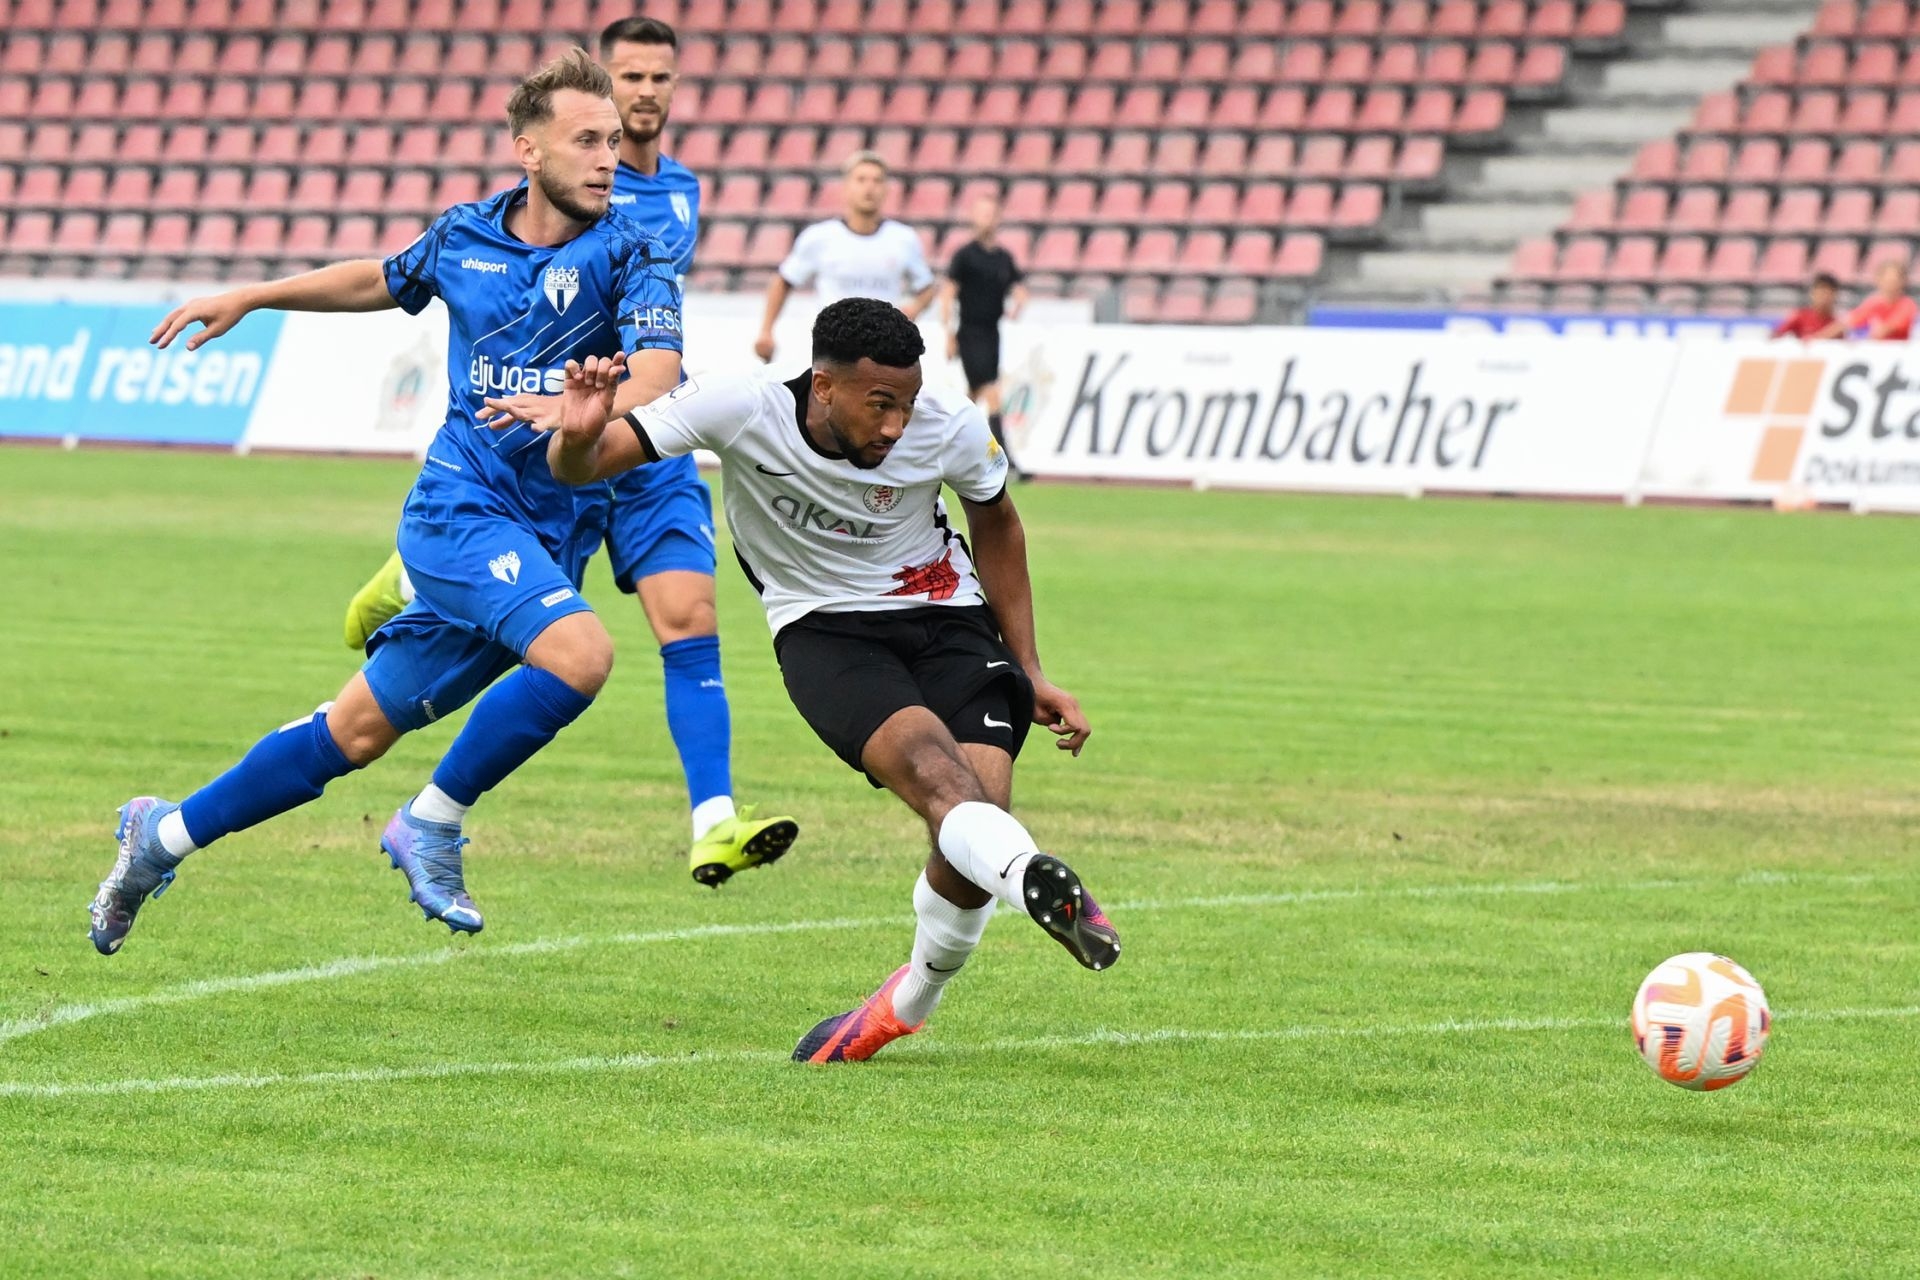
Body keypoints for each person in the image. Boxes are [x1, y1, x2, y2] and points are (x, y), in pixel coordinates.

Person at [89, 50, 686, 954]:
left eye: (612, 141)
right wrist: (256, 295)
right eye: (586, 140)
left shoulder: (634, 250)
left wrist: (588, 407)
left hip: (552, 537)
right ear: (529, 151)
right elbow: (380, 278)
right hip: (460, 511)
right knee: (582, 656)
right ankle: (432, 821)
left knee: (353, 733)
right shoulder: (465, 236)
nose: (609, 158)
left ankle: (159, 837)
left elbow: (658, 372)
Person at [490, 299, 1120, 1062]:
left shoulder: (950, 426)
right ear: (823, 385)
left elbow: (998, 523)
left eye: (907, 404)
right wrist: (578, 432)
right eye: (879, 404)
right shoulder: (738, 404)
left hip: (949, 619)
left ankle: (904, 1006)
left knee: (972, 831)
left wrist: (1030, 667)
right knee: (942, 784)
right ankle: (1034, 878)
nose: (896, 426)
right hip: (826, 632)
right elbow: (581, 467)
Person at [339, 17, 799, 887]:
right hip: (552, 443)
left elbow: (653, 348)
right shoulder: (557, 192)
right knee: (552, 637)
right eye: (631, 77)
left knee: (690, 616)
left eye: (661, 77)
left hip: (639, 432)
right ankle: (414, 578)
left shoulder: (680, 191)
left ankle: (713, 823)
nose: (646, 92)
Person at [752, 151, 935, 364]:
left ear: (886, 189)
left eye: (877, 181)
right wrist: (766, 331)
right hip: (834, 347)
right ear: (846, 187)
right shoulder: (820, 237)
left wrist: (914, 308)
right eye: (861, 180)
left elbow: (927, 288)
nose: (869, 187)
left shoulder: (903, 238)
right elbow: (783, 281)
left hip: (885, 349)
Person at [940, 192, 1028, 473]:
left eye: (990, 214)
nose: (986, 220)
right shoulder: (965, 256)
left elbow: (1019, 288)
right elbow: (947, 294)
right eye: (981, 213)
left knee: (974, 395)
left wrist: (1018, 305)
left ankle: (947, 447)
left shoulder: (1003, 258)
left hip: (992, 333)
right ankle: (1003, 457)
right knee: (991, 392)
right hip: (970, 332)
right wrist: (949, 333)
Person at [1818, 259, 1916, 340]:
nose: (1890, 286)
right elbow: (1847, 322)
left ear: (1903, 282)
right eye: (1887, 281)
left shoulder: (1908, 305)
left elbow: (1886, 329)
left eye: (1894, 281)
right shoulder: (1873, 303)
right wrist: (1818, 337)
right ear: (1878, 280)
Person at [1772, 272, 1839, 341]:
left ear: (1834, 295)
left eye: (1828, 293)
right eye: (1821, 292)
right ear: (1813, 293)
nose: (1824, 297)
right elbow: (1776, 335)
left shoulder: (1835, 323)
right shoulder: (1800, 316)